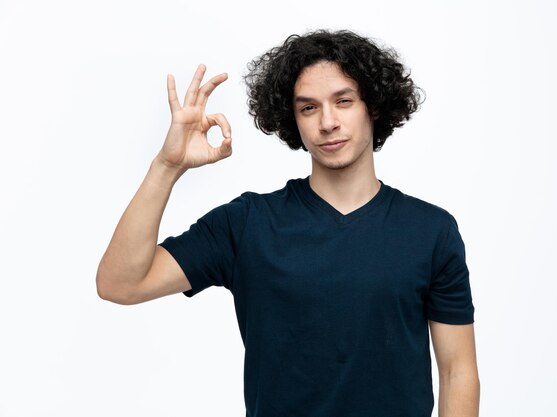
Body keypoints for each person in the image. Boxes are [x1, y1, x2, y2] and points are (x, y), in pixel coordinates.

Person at [97, 29, 480, 417]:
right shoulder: (247, 225)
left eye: (343, 101)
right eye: (308, 108)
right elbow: (120, 284)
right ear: (292, 118)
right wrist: (167, 166)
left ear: (373, 107)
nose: (328, 122)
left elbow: (457, 371)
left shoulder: (430, 231)